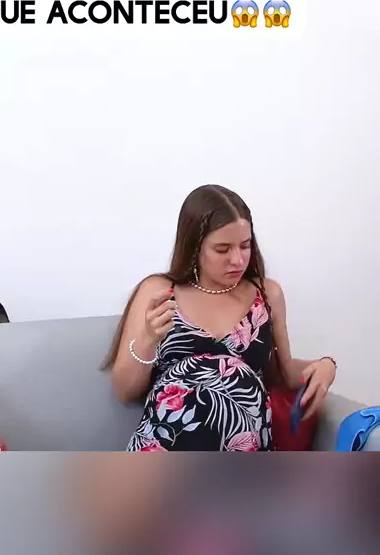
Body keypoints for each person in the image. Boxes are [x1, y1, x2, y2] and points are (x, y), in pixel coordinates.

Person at [102, 184, 337, 451]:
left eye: (245, 246)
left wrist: (324, 365)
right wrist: (147, 339)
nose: (237, 260)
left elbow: (284, 372)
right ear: (195, 246)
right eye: (222, 249)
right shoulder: (159, 292)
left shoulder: (267, 294)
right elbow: (124, 392)